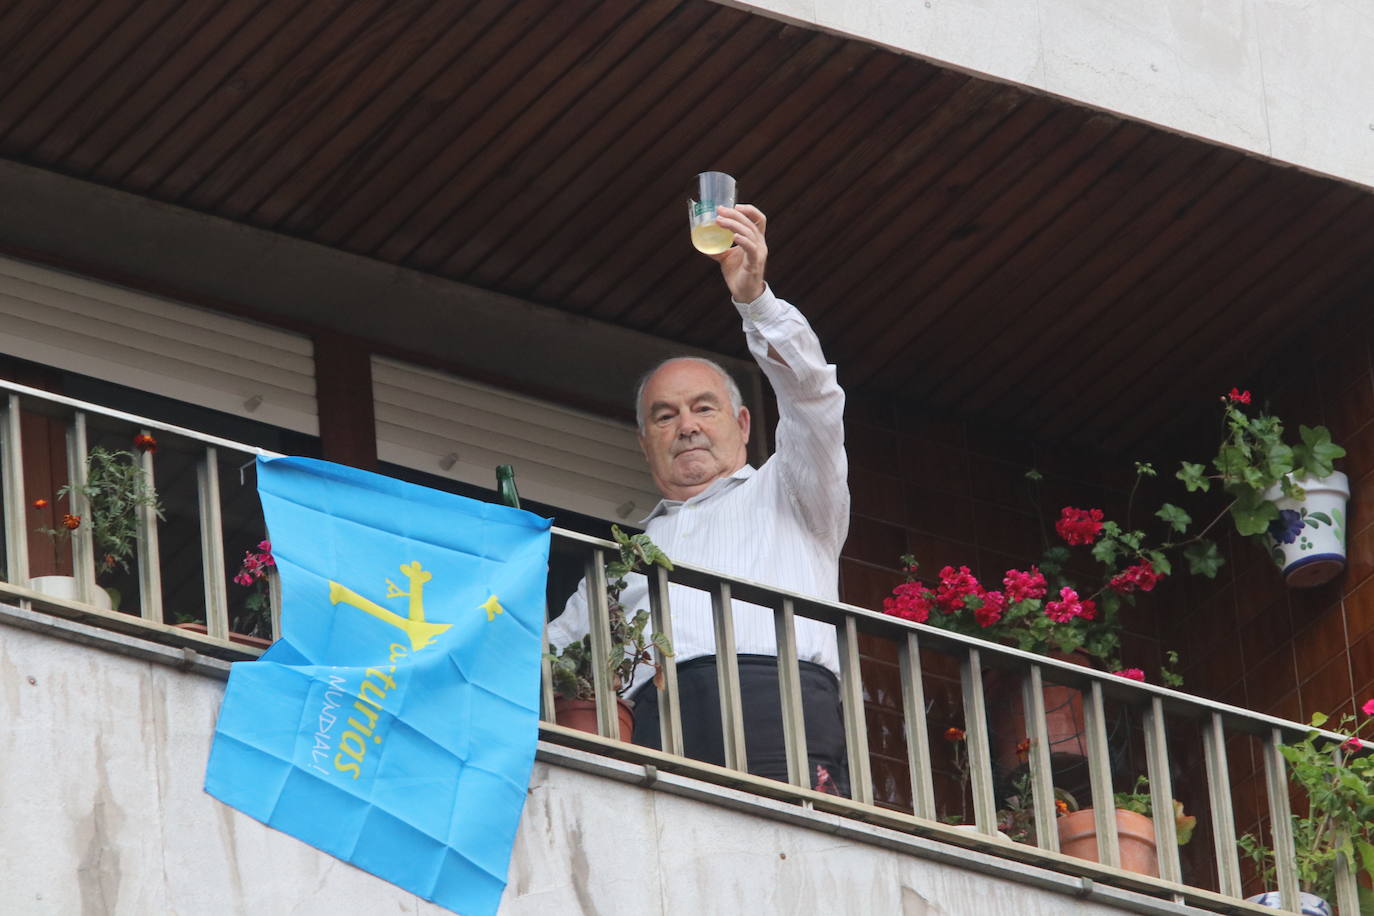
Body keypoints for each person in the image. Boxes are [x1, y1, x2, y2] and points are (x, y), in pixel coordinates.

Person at [546, 203, 850, 793]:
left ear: (741, 422)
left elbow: (814, 396)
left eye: (702, 408)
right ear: (645, 443)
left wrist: (755, 300)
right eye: (665, 415)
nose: (686, 426)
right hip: (654, 731)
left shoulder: (792, 487)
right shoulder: (620, 565)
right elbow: (551, 659)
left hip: (775, 709)